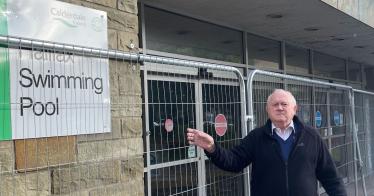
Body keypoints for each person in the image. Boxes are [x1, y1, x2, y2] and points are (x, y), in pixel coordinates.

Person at [187, 89, 347, 196]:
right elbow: (233, 162)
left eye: (284, 104)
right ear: (268, 110)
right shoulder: (256, 137)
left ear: (294, 109)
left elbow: (331, 177)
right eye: (275, 105)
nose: (280, 108)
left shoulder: (311, 136)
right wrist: (212, 147)